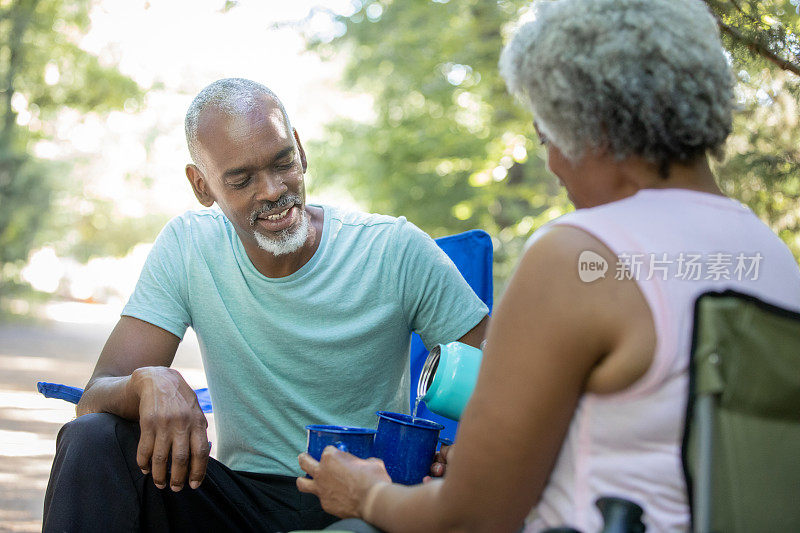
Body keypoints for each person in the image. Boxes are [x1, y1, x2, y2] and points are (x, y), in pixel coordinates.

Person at [296, 0, 800, 531]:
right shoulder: (771, 258)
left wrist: (366, 493)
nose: (553, 164)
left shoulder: (578, 256)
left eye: (547, 137)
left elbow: (470, 518)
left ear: (596, 124)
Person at [42, 78, 489, 533]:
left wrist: (474, 452)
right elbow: (95, 395)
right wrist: (145, 382)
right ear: (202, 186)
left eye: (283, 163)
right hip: (237, 500)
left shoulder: (395, 249)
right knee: (93, 437)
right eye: (241, 180)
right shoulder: (188, 245)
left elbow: (508, 381)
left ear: (300, 149)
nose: (273, 190)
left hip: (359, 499)